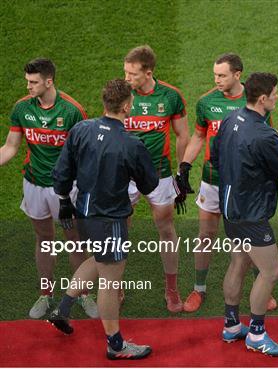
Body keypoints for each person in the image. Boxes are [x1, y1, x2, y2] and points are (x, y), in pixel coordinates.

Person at [48, 79, 158, 360]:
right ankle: (116, 344)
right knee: (109, 280)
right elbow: (149, 186)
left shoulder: (81, 130)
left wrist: (63, 200)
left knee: (97, 261)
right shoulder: (131, 143)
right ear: (126, 105)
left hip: (83, 213)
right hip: (111, 220)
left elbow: (61, 172)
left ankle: (62, 307)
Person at [211, 72, 278, 356]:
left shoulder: (231, 119)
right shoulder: (264, 134)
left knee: (239, 263)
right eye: (275, 94)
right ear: (263, 98)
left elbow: (215, 156)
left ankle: (231, 326)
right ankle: (256, 334)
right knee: (271, 271)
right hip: (251, 213)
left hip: (230, 208)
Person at [177, 53, 276, 312]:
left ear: (237, 74)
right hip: (213, 180)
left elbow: (266, 137)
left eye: (222, 75)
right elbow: (199, 136)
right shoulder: (207, 102)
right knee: (205, 235)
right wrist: (185, 167)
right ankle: (199, 289)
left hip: (245, 186)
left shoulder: (255, 101)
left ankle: (261, 288)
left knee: (250, 239)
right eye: (215, 75)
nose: (217, 80)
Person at [0, 58, 97, 319]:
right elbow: (11, 146)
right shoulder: (22, 108)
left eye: (33, 82)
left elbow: (84, 155)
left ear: (49, 81)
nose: (28, 86)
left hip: (65, 189)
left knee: (75, 242)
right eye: (27, 81)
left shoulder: (72, 111)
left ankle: (83, 294)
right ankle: (46, 293)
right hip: (34, 184)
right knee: (44, 239)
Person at [123, 45, 190, 312]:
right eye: (125, 72)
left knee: (166, 228)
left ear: (148, 72)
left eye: (132, 74)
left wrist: (180, 173)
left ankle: (171, 289)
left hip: (159, 175)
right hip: (124, 175)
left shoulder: (171, 96)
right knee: (120, 230)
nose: (126, 79)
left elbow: (182, 135)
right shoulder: (120, 93)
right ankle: (115, 287)